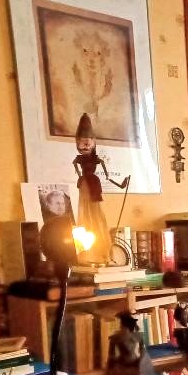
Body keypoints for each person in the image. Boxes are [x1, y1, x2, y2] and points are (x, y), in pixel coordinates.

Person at [72, 112, 130, 265]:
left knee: (97, 216)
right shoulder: (79, 159)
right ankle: (89, 253)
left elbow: (107, 177)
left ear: (94, 142)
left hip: (93, 185)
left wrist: (121, 184)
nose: (86, 145)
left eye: (89, 141)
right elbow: (75, 166)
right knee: (86, 215)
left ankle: (102, 252)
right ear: (77, 142)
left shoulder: (97, 160)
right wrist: (80, 176)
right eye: (82, 142)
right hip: (85, 185)